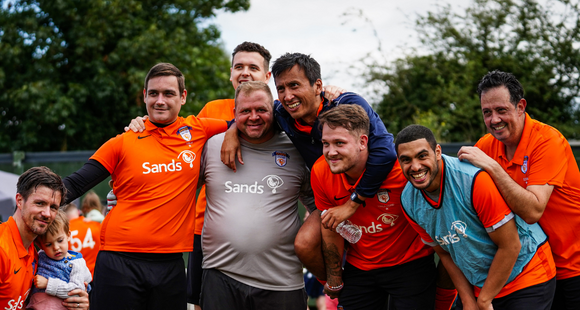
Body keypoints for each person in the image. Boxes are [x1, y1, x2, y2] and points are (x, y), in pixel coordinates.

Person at [62, 62, 228, 310]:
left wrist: (234, 133)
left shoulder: (198, 129)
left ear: (183, 97)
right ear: (144, 96)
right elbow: (75, 184)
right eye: (153, 94)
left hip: (171, 265)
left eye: (169, 94)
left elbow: (248, 121)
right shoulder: (123, 141)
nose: (160, 101)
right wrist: (36, 206)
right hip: (118, 261)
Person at [221, 52, 397, 282]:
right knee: (304, 244)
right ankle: (340, 290)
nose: (287, 95)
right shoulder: (282, 114)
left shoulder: (346, 104)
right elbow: (254, 116)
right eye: (281, 88)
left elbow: (386, 153)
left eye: (294, 85)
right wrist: (232, 131)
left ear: (318, 86)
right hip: (330, 197)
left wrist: (354, 202)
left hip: (372, 192)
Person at [396, 124, 557, 309]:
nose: (415, 166)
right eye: (406, 160)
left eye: (422, 156)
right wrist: (468, 301)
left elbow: (511, 246)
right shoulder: (408, 202)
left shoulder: (473, 180)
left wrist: (484, 301)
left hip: (526, 274)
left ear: (437, 152)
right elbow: (445, 253)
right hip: (481, 283)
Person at [457, 70, 580, 309]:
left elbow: (533, 210)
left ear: (521, 106)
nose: (494, 120)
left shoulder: (548, 141)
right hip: (527, 269)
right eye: (487, 112)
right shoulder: (485, 146)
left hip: (572, 265)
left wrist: (493, 167)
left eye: (501, 110)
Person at [198, 81, 314, 309]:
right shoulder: (211, 147)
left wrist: (310, 243)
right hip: (221, 275)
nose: (254, 117)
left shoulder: (296, 148)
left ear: (274, 109)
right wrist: (119, 197)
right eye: (245, 111)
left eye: (261, 110)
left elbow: (320, 204)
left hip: (282, 282)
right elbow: (174, 187)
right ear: (234, 113)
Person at [312, 105, 436, 309]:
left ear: (363, 142)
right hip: (360, 265)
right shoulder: (320, 172)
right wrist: (334, 278)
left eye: (339, 143)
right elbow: (330, 227)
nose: (330, 152)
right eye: (326, 144)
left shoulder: (399, 169)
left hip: (410, 262)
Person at [0, 166, 89, 310]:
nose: (47, 213)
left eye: (53, 207)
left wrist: (78, 302)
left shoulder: (37, 254)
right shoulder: (3, 248)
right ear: (20, 201)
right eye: (40, 203)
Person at [28, 210, 92, 310]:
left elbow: (76, 291)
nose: (56, 247)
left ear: (68, 235)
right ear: (41, 246)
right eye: (48, 244)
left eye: (60, 240)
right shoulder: (40, 256)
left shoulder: (76, 263)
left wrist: (48, 284)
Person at [63, 203, 101, 279]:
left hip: (74, 278)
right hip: (96, 275)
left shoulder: (63, 233)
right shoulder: (96, 225)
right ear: (78, 212)